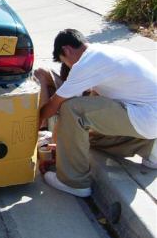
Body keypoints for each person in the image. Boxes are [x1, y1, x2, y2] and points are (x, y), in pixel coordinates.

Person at [36, 29, 157, 197]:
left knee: (72, 108)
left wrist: (33, 129)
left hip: (145, 117)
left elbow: (56, 105)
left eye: (65, 62)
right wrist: (64, 144)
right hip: (147, 117)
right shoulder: (105, 53)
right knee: (88, 137)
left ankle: (74, 182)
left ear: (66, 50)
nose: (69, 67)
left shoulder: (86, 63)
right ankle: (150, 148)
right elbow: (93, 100)